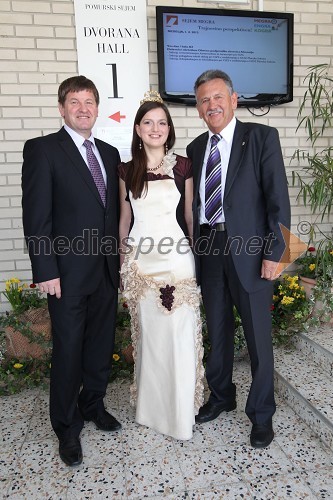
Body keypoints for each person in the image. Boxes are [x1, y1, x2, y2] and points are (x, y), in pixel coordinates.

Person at [187, 69, 291, 448]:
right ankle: (222, 396)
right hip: (210, 250)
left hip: (251, 254)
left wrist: (276, 255)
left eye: (217, 97)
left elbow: (279, 200)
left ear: (234, 99)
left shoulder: (262, 137)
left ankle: (262, 414)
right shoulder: (197, 148)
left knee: (259, 340)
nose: (211, 105)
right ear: (198, 109)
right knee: (218, 331)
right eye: (203, 100)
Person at [22, 75, 122, 466]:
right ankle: (66, 426)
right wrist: (45, 269)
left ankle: (93, 405)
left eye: (89, 102)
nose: (83, 108)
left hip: (105, 272)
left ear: (97, 108)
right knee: (68, 351)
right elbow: (37, 217)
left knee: (99, 346)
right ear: (61, 108)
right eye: (75, 102)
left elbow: (112, 214)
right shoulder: (43, 150)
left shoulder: (110, 154)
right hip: (64, 274)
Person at [118, 90, 204, 440]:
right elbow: (124, 218)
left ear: (169, 129)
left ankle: (181, 413)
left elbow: (189, 216)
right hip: (141, 263)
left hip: (176, 258)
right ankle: (151, 411)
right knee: (151, 337)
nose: (156, 128)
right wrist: (122, 261)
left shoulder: (183, 165)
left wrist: (198, 257)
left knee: (180, 335)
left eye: (162, 123)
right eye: (149, 123)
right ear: (138, 129)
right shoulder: (125, 169)